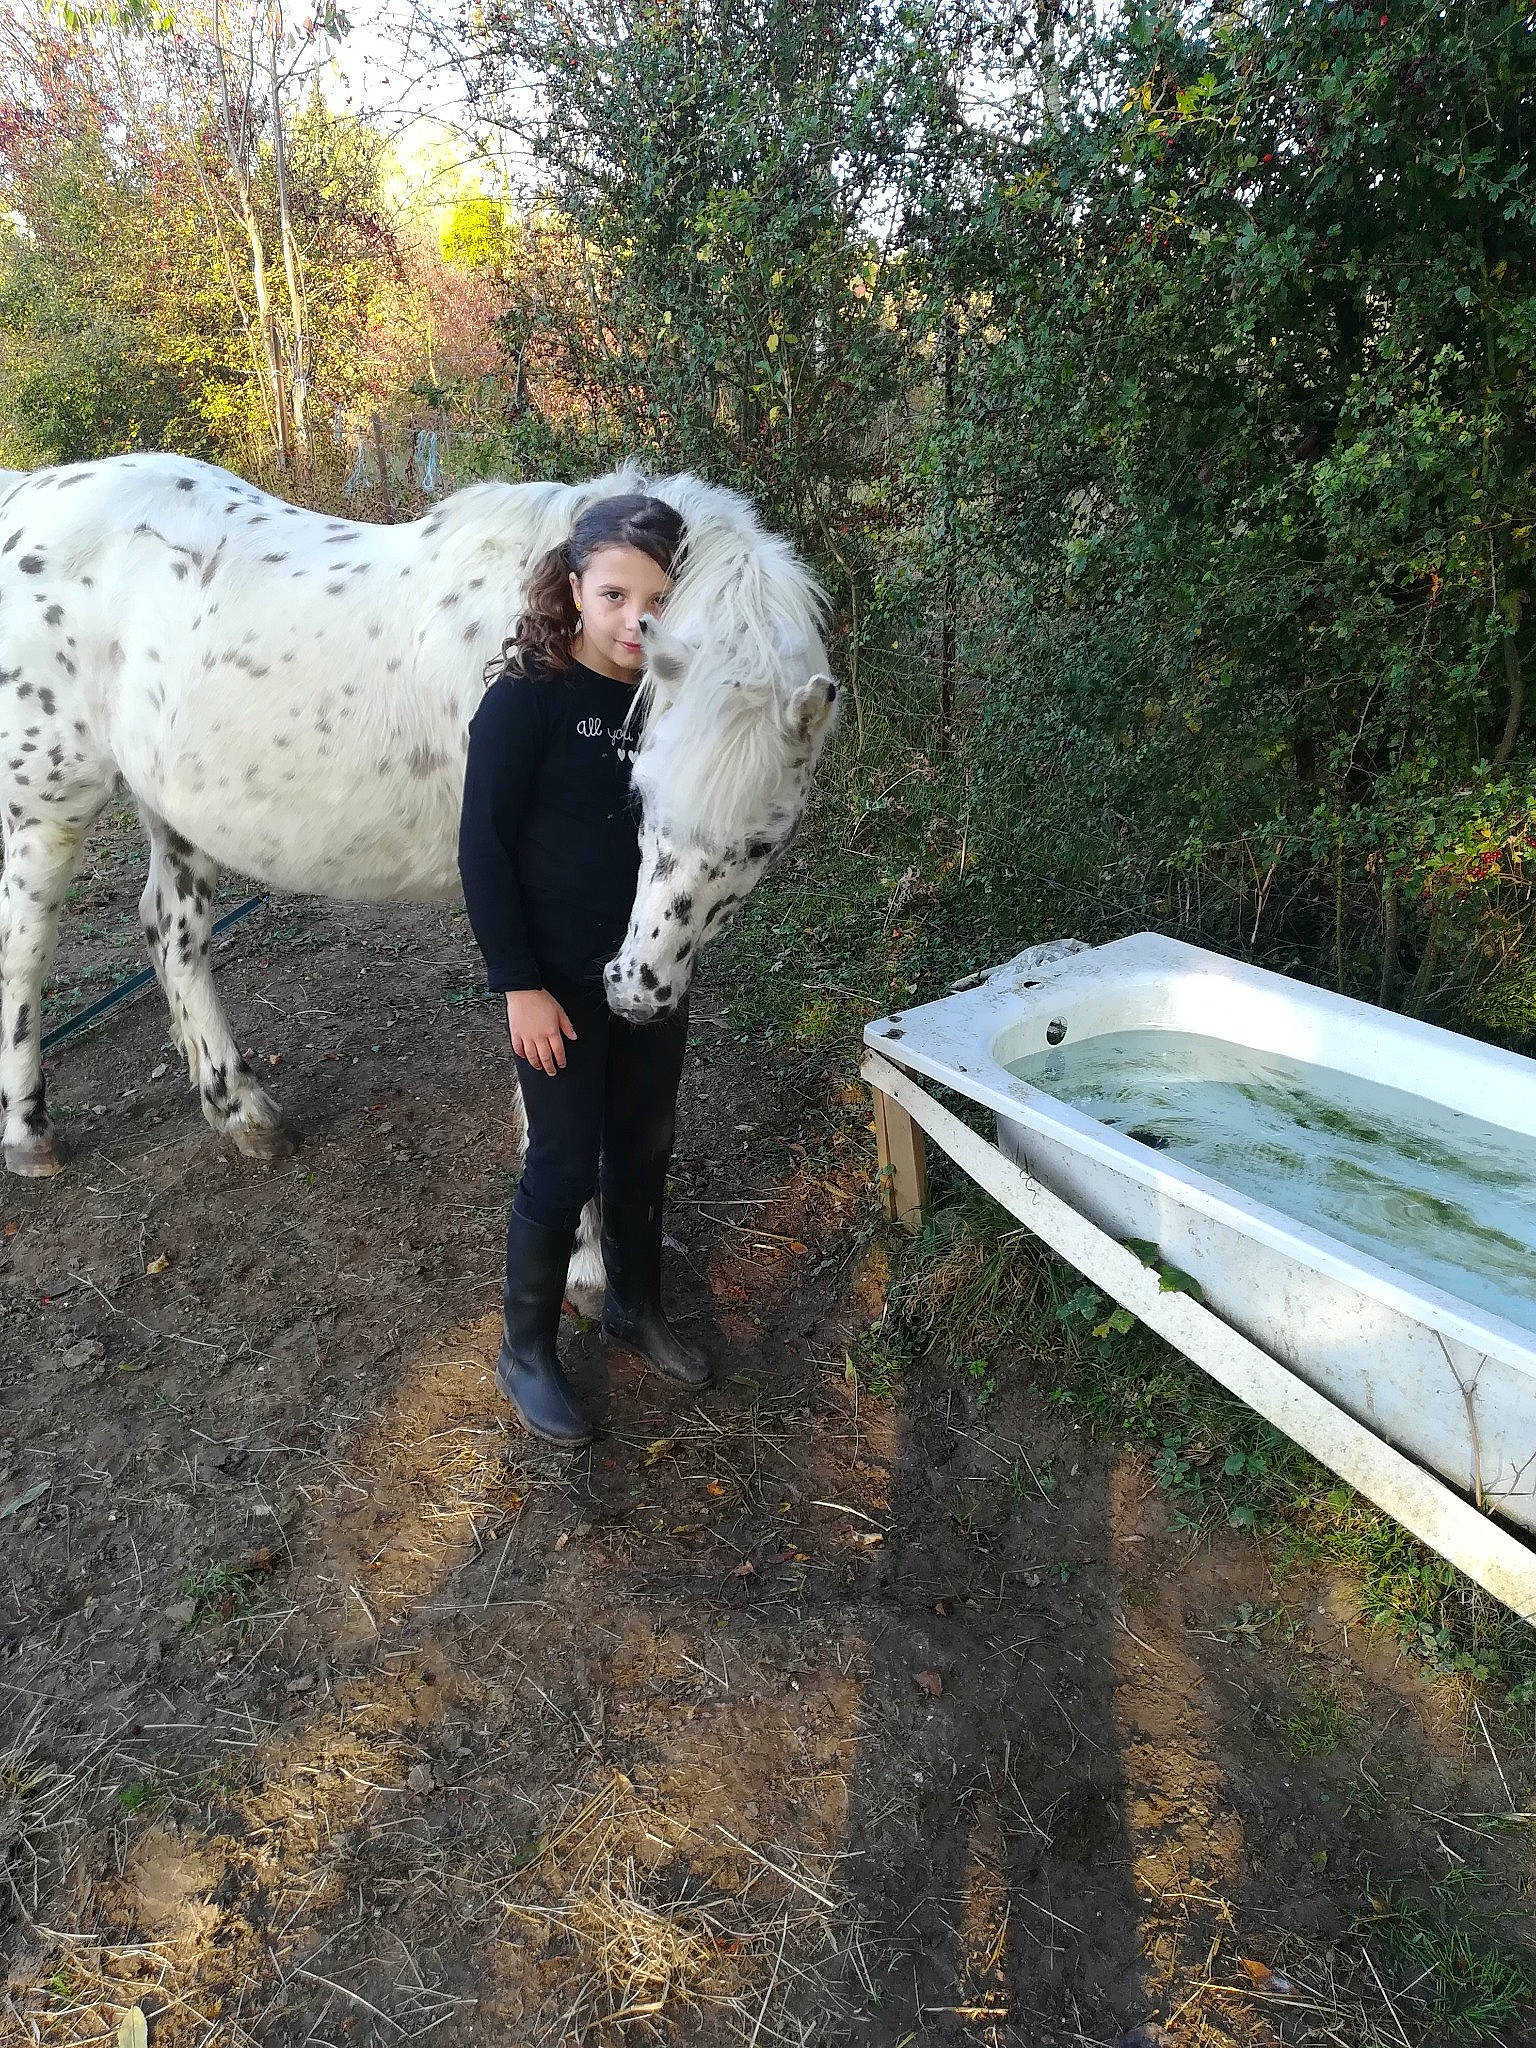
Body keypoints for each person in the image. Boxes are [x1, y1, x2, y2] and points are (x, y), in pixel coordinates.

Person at [457, 495, 711, 1447]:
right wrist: (517, 984)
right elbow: (480, 853)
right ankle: (526, 1349)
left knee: (643, 1143)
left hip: (650, 973)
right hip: (555, 985)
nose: (636, 619)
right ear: (573, 588)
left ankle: (634, 1307)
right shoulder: (527, 701)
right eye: (613, 593)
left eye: (659, 598)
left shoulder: (675, 702)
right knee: (562, 1159)